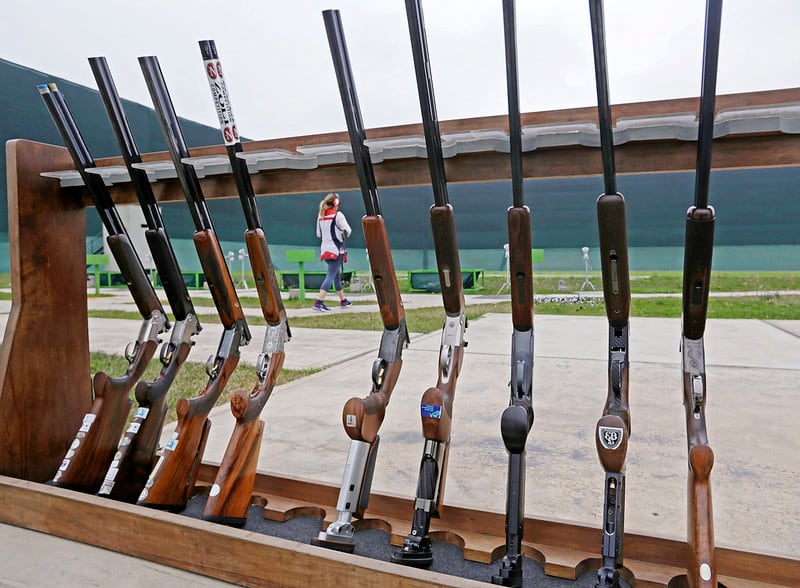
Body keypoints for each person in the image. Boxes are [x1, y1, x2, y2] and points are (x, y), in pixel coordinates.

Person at [313, 192, 353, 311]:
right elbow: (348, 231)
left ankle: (343, 300)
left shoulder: (321, 215)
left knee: (335, 275)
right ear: (336, 203)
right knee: (331, 276)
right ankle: (319, 301)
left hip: (325, 249)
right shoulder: (338, 215)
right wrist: (341, 236)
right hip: (336, 250)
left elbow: (318, 234)